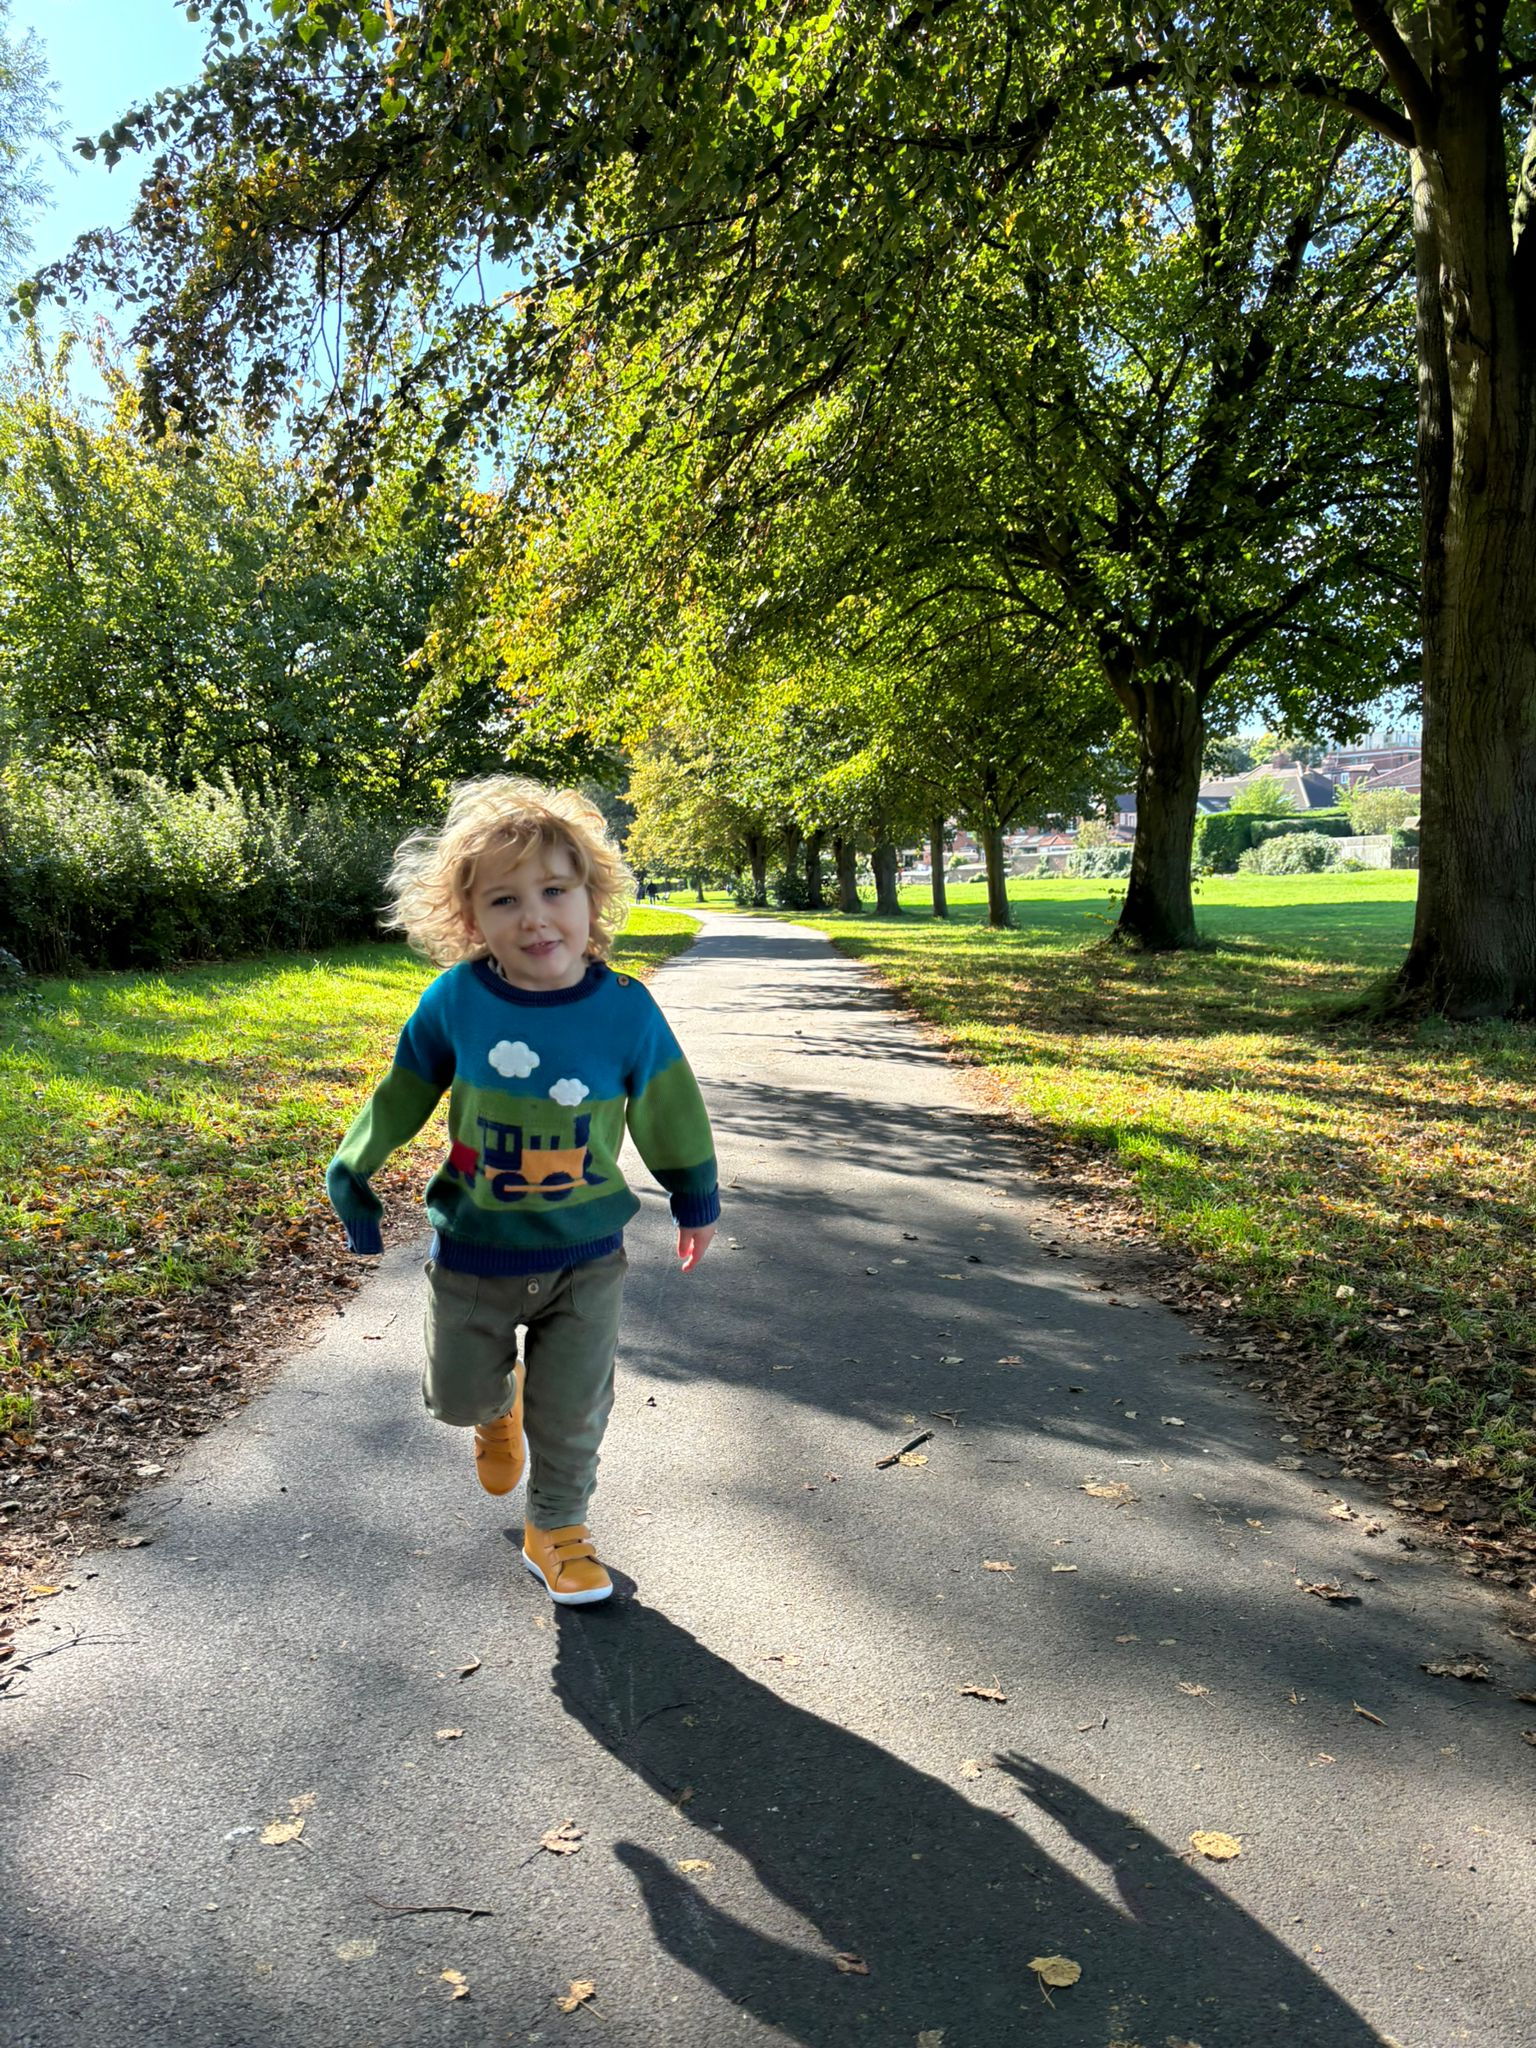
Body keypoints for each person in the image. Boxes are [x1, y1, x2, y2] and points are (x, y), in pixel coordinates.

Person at [325, 777, 719, 1605]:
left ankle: (559, 1528)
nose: (535, 916)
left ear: (592, 897)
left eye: (554, 891)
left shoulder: (627, 1009)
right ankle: (493, 1405)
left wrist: (694, 1193)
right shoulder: (455, 1002)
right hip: (475, 1252)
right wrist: (355, 1164)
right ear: (471, 920)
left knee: (574, 1411)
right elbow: (401, 1092)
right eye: (505, 900)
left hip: (586, 1255)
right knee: (458, 1396)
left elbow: (669, 1106)